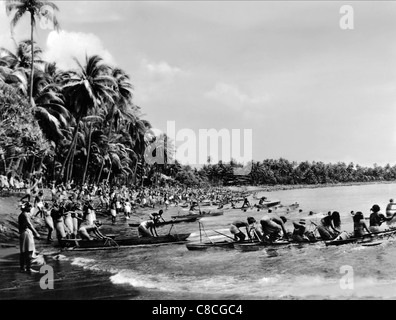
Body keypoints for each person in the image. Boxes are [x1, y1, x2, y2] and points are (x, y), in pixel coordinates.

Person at [18, 202, 40, 274]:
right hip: (26, 233)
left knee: (23, 251)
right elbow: (29, 224)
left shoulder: (22, 214)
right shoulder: (24, 214)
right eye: (29, 207)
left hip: (23, 233)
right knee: (29, 251)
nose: (30, 209)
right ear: (26, 207)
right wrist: (35, 232)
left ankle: (22, 268)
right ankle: (28, 268)